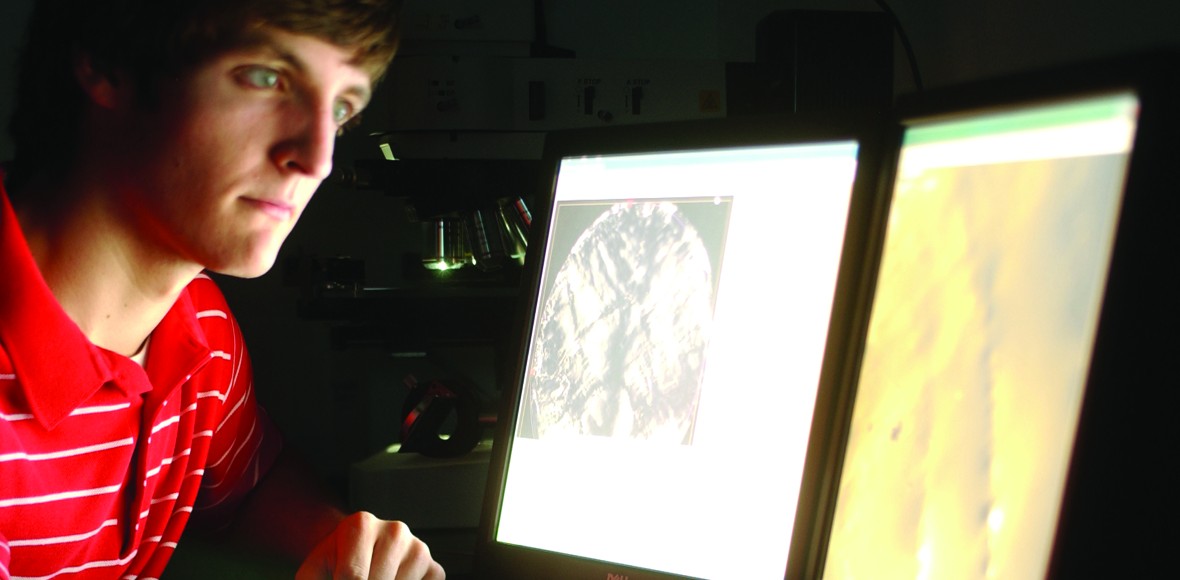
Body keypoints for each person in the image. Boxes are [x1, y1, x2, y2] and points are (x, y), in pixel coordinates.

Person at [0, 0, 445, 578]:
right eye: (266, 78)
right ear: (109, 65)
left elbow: (245, 494)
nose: (317, 158)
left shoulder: (199, 326)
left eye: (340, 109)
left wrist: (343, 547)